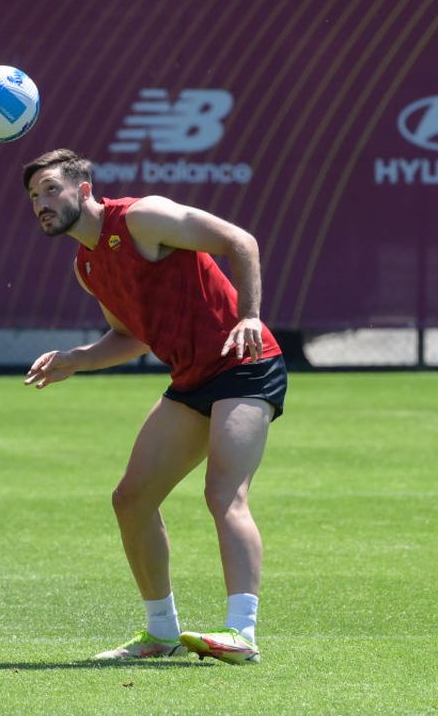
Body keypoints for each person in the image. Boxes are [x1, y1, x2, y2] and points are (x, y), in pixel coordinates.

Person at [22, 149, 287, 665]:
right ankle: (161, 632)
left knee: (223, 493)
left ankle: (242, 632)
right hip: (191, 379)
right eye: (34, 196)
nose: (41, 203)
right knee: (131, 499)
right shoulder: (87, 266)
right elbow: (130, 337)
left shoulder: (142, 218)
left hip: (246, 364)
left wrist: (250, 315)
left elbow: (241, 241)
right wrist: (75, 359)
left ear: (82, 189)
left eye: (51, 189)